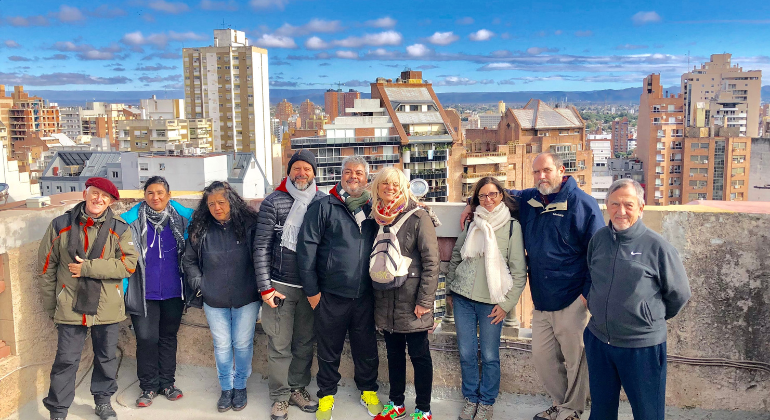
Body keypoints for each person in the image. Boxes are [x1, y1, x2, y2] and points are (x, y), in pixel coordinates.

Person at [460, 153, 604, 420]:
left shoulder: (583, 204)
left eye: (547, 171)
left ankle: (571, 410)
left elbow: (599, 254)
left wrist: (586, 295)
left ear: (561, 170)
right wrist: (471, 203)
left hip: (573, 297)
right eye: (536, 172)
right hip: (541, 298)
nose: (541, 177)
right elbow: (499, 193)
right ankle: (560, 404)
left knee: (575, 361)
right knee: (544, 359)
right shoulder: (530, 200)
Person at [584, 179, 690, 420]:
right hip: (599, 341)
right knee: (600, 412)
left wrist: (646, 317)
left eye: (628, 205)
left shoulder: (658, 247)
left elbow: (679, 294)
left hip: (641, 346)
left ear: (641, 207)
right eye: (614, 204)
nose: (621, 211)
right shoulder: (599, 240)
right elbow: (593, 275)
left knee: (647, 413)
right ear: (607, 206)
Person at [37, 177, 138, 420]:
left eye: (104, 196)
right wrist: (53, 306)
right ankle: (58, 410)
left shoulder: (120, 229)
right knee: (66, 361)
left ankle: (103, 401)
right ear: (85, 194)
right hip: (70, 305)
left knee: (106, 357)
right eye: (94, 193)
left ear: (111, 202)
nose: (98, 199)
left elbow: (128, 265)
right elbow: (46, 268)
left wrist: (88, 268)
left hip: (107, 307)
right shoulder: (60, 225)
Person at [297, 156, 383, 420]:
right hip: (330, 295)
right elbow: (306, 250)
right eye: (348, 172)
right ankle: (326, 394)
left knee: (366, 348)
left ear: (367, 178)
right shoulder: (324, 206)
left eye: (359, 172)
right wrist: (312, 293)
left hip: (366, 295)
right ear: (340, 176)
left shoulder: (376, 209)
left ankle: (368, 390)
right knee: (328, 349)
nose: (353, 176)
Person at [448, 177, 528, 420]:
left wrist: (506, 305)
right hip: (463, 298)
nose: (488, 200)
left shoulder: (512, 226)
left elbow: (519, 271)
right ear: (477, 199)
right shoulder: (474, 222)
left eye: (492, 194)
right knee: (467, 352)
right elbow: (456, 256)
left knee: (490, 355)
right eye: (482, 196)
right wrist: (452, 288)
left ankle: (487, 401)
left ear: (501, 196)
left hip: (493, 302)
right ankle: (471, 398)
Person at [254, 150, 325, 419]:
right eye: (297, 168)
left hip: (310, 288)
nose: (302, 173)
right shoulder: (274, 202)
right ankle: (280, 396)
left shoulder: (322, 201)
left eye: (307, 168)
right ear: (289, 171)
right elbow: (261, 246)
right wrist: (265, 287)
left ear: (314, 173)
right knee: (279, 344)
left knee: (305, 342)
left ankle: (298, 388)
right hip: (279, 286)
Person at [182, 181, 260, 413]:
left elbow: (263, 254)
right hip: (213, 298)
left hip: (246, 296)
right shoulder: (201, 228)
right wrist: (200, 285)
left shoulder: (249, 225)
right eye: (212, 204)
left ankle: (240, 386)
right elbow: (189, 260)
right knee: (222, 345)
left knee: (243, 343)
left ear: (231, 202)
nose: (217, 207)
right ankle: (226, 388)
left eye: (221, 202)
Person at [370, 168, 439, 420]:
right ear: (377, 187)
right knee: (394, 355)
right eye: (385, 184)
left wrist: (425, 302)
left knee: (420, 356)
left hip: (412, 301)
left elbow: (432, 262)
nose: (390, 188)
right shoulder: (375, 218)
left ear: (404, 187)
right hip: (385, 299)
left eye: (395, 184)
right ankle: (396, 403)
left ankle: (423, 408)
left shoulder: (419, 216)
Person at [122, 176, 194, 407]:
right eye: (150, 193)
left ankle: (167, 383)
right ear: (144, 196)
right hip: (143, 291)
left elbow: (196, 223)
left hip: (173, 291)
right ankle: (148, 386)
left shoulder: (181, 219)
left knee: (168, 338)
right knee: (145, 338)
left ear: (169, 195)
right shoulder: (131, 222)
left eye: (161, 193)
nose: (156, 197)